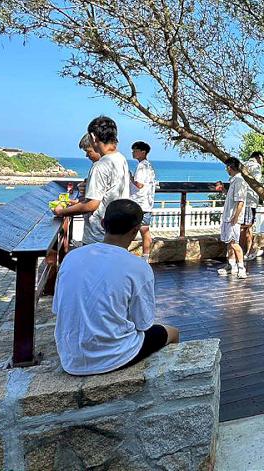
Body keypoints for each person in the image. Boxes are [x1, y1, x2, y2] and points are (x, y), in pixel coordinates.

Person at [52, 199, 179, 375]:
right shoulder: (138, 267)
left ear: (103, 223)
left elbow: (58, 308)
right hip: (114, 356)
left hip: (70, 356)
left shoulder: (72, 257)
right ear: (135, 230)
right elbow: (143, 323)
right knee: (172, 332)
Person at [54, 116, 129, 245]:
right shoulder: (121, 159)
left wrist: (61, 211)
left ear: (94, 137)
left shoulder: (100, 165)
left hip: (97, 235)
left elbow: (92, 205)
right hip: (115, 233)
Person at [217, 157, 248, 279]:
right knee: (229, 243)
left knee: (234, 243)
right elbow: (233, 199)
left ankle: (241, 268)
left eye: (227, 167)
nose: (226, 170)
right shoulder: (234, 181)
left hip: (233, 218)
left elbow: (240, 201)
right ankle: (231, 266)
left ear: (230, 167)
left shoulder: (239, 181)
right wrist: (223, 190)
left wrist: (235, 217)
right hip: (228, 217)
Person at [130, 141, 157, 262]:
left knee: (130, 229)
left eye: (135, 150)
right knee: (145, 231)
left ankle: (123, 254)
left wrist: (130, 178)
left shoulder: (141, 166)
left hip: (139, 203)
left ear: (143, 152)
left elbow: (139, 184)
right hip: (147, 204)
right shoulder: (149, 166)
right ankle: (146, 257)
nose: (133, 153)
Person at [241, 151, 264, 261]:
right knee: (248, 227)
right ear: (259, 157)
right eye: (262, 159)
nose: (262, 162)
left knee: (243, 226)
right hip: (250, 201)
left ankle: (242, 251)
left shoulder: (243, 164)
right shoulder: (256, 166)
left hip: (241, 199)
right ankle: (248, 252)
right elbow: (256, 183)